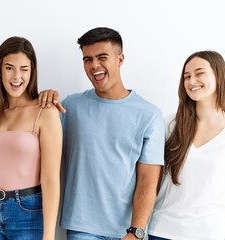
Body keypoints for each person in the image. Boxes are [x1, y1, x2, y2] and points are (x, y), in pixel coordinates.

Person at [59, 27, 165, 240]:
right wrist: (45, 98)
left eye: (102, 57)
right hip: (83, 228)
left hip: (127, 231)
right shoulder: (70, 106)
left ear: (120, 59)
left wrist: (136, 232)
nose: (94, 65)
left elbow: (148, 181)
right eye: (87, 59)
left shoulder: (149, 115)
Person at [147, 51, 225, 240]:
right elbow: (151, 180)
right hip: (162, 231)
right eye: (186, 76)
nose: (191, 81)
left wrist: (206, 224)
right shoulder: (168, 124)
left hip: (210, 234)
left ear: (219, 77)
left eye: (199, 73)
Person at [0, 36, 62, 240]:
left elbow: (50, 180)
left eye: (24, 69)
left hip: (27, 212)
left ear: (32, 72)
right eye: (9, 68)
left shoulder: (45, 112)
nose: (17, 76)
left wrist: (49, 236)